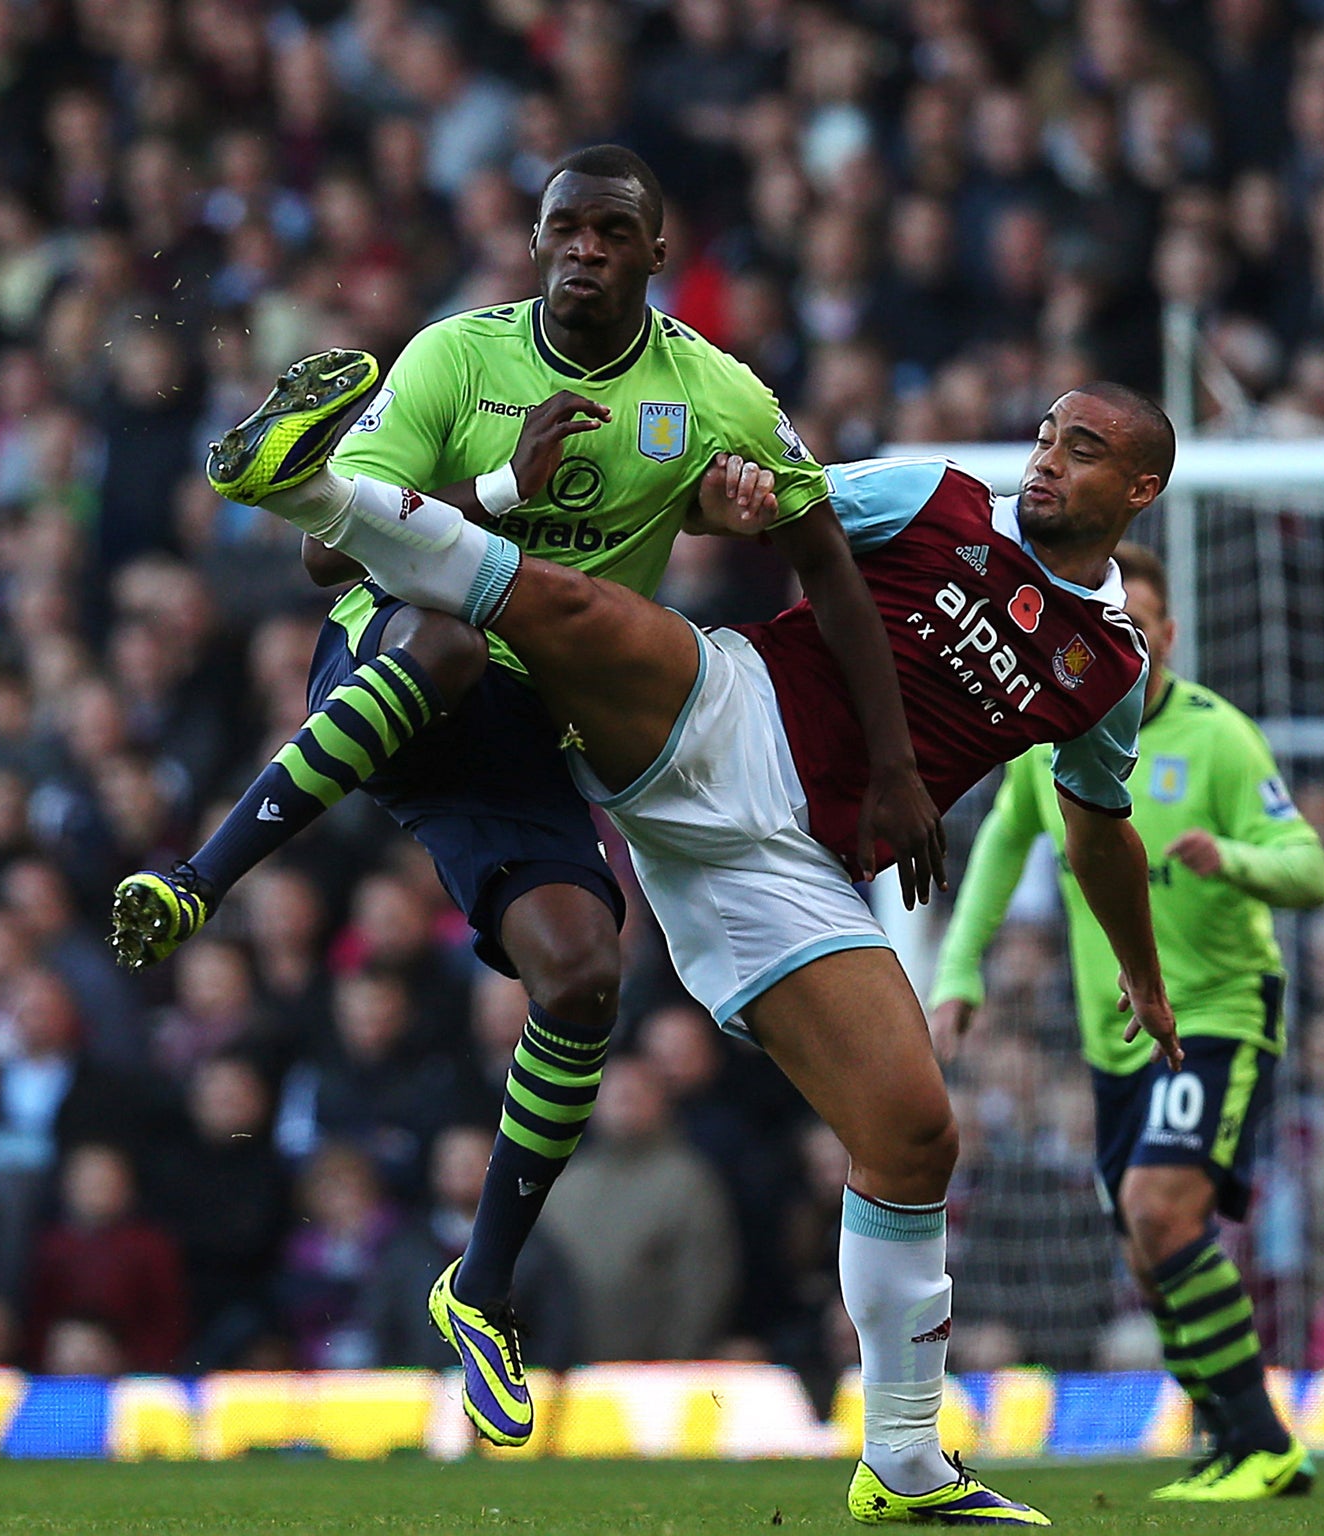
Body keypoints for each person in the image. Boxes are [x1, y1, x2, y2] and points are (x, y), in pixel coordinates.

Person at [128, 353, 1191, 1526]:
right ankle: (315, 495)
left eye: (1081, 450)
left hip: (791, 873)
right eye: (1045, 434)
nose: (1046, 458)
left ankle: (900, 1462)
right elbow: (769, 502)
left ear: (1140, 489)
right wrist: (727, 502)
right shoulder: (933, 498)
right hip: (719, 712)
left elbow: (1099, 835)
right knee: (572, 607)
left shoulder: (1110, 671)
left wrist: (1143, 981)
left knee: (913, 1134)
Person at [114, 142, 939, 1442]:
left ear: (656, 254)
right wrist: (501, 490)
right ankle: (193, 881)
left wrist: (895, 767)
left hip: (523, 729)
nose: (584, 251)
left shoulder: (712, 395)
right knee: (442, 636)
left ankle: (481, 1289)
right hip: (399, 641)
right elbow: (338, 555)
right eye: (564, 227)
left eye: (614, 232)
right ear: (535, 238)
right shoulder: (457, 357)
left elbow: (826, 561)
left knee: (585, 972)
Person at [930, 542, 1324, 1502]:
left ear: (1169, 633)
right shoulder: (1056, 741)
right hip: (1115, 1044)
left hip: (1218, 1016)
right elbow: (998, 847)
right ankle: (1229, 1445)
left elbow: (1311, 870)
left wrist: (1233, 859)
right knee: (1149, 1261)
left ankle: (1264, 1443)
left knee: (1161, 1211)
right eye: (1119, 628)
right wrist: (958, 971)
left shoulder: (1219, 740)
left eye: (1146, 628)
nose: (1135, 644)